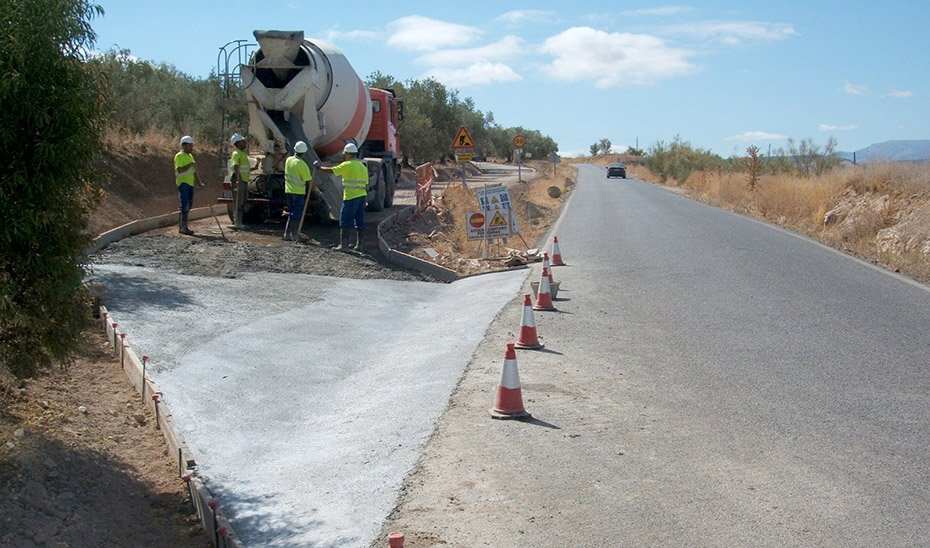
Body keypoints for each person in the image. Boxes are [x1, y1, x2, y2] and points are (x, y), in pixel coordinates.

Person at [315, 143, 368, 250]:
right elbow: (366, 184)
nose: (344, 156)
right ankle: (360, 245)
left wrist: (318, 167)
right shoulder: (362, 166)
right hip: (362, 196)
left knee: (345, 220)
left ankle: (344, 245)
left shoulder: (347, 164)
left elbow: (332, 170)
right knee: (359, 220)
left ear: (348, 154)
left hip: (350, 197)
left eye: (345, 154)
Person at [284, 141, 314, 241]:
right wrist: (317, 191)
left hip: (288, 191)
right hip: (298, 192)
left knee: (291, 213)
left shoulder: (288, 160)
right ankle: (295, 235)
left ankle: (287, 234)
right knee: (296, 214)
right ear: (304, 152)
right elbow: (309, 181)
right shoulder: (302, 164)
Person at [174, 135, 203, 235]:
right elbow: (179, 169)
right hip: (183, 183)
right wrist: (190, 164)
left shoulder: (190, 156)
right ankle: (183, 227)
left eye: (192, 145)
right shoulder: (179, 156)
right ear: (184, 145)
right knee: (185, 204)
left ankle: (184, 226)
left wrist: (199, 183)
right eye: (190, 145)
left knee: (189, 205)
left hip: (190, 184)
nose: (192, 147)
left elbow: (194, 171)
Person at [228, 133, 250, 228]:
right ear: (238, 143)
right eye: (243, 141)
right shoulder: (236, 153)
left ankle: (239, 222)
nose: (245, 143)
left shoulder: (242, 154)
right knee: (238, 202)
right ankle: (237, 222)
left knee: (241, 201)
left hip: (243, 180)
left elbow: (243, 168)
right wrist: (239, 178)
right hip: (239, 180)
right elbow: (236, 166)